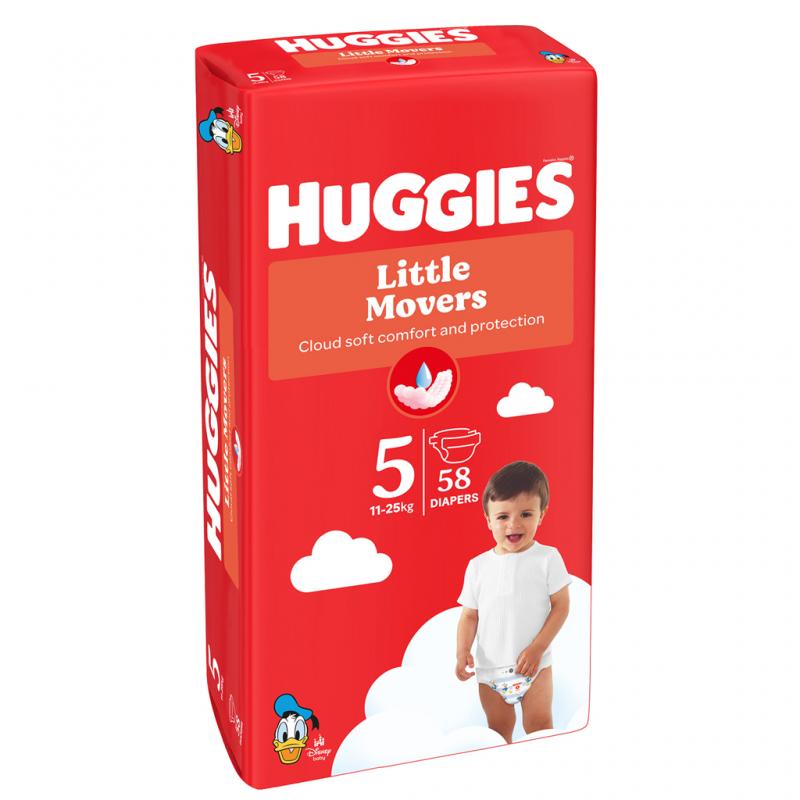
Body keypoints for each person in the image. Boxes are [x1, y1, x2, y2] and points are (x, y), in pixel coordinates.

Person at [455, 461, 570, 743]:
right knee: (497, 735)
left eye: (526, 514)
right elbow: (469, 615)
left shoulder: (547, 558)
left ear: (542, 514)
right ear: (488, 519)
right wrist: (462, 651)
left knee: (540, 728)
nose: (514, 524)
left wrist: (538, 648)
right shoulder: (478, 566)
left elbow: (561, 606)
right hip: (490, 671)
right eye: (503, 516)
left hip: (535, 666)